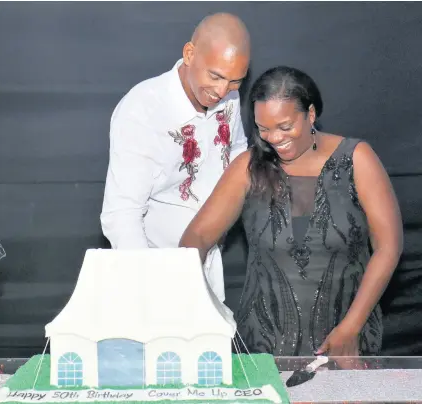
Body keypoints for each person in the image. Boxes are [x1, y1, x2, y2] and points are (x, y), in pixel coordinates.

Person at [179, 66, 403, 356]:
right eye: (263, 128)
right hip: (261, 346)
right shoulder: (249, 167)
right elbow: (196, 236)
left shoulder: (357, 159)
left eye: (285, 127)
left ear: (310, 114)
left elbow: (389, 247)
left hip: (346, 341)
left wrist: (351, 327)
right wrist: (198, 300)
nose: (274, 138)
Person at [100, 13, 250, 302]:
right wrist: (147, 289)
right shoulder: (143, 110)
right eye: (215, 76)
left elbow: (237, 152)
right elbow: (121, 215)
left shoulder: (228, 95)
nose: (222, 91)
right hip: (153, 272)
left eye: (235, 81)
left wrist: (224, 217)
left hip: (207, 267)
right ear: (190, 54)